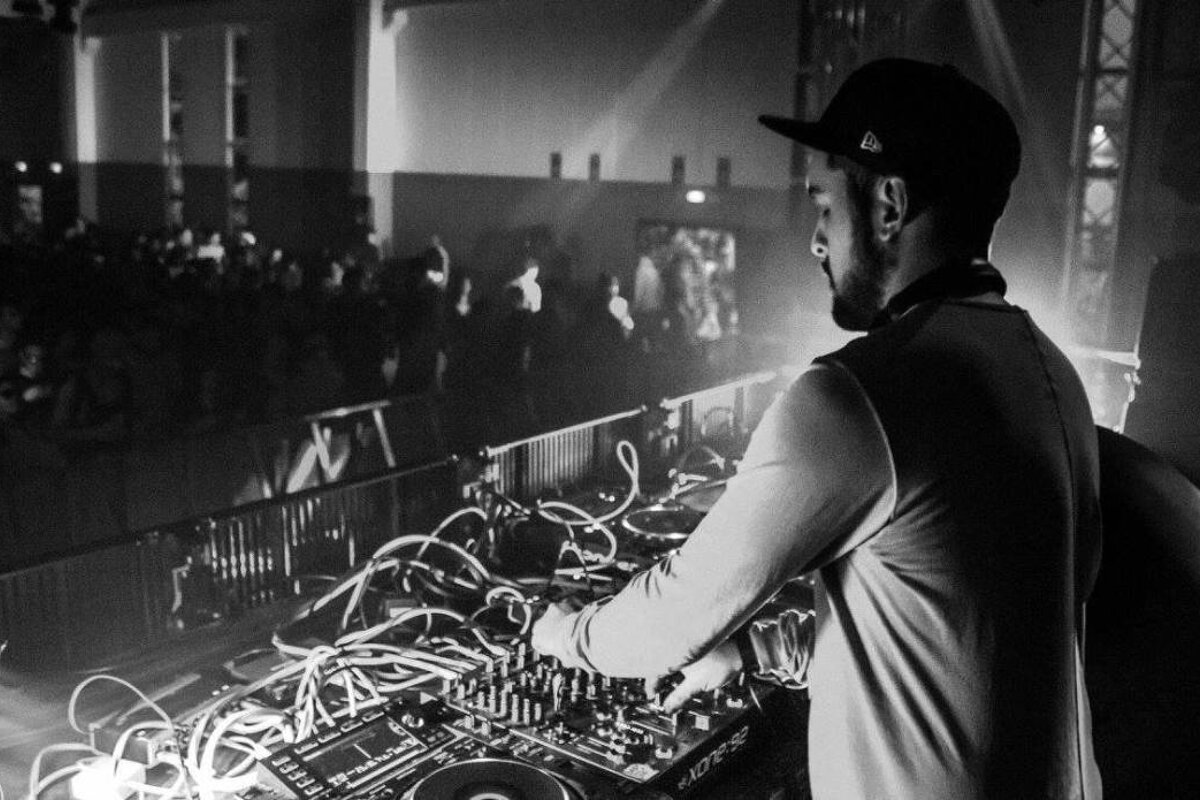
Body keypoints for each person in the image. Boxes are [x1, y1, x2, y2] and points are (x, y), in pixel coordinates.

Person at [532, 58, 1103, 800]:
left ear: (889, 206)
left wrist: (565, 635)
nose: (815, 240)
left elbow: (672, 619)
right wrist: (758, 649)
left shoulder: (861, 393)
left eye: (824, 206)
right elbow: (948, 635)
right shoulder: (1054, 375)